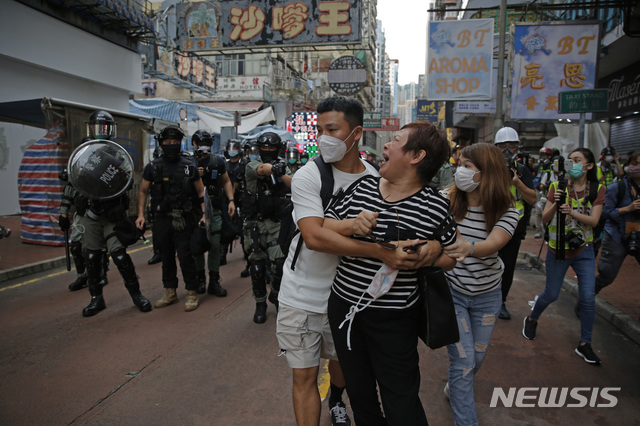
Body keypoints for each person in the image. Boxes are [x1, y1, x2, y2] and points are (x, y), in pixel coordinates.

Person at [324, 122, 456, 425]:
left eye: (395, 140)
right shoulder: (362, 187)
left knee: (401, 399)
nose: (385, 146)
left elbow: (452, 256)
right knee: (360, 395)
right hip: (345, 310)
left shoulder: (434, 205)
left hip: (396, 319)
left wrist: (430, 253)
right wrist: (351, 225)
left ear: (416, 156)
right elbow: (323, 227)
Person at [276, 97, 379, 426]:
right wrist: (355, 230)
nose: (324, 138)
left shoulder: (375, 181)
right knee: (303, 378)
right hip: (301, 296)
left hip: (350, 298)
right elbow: (314, 236)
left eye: (332, 129)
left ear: (356, 132)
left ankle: (336, 397)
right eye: (320, 130)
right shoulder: (308, 176)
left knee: (342, 365)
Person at [442, 143, 520, 426]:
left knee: (476, 359)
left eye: (467, 166)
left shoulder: (508, 211)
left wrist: (466, 247)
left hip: (487, 296)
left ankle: (455, 389)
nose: (459, 171)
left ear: (487, 173)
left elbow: (493, 244)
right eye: (459, 164)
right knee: (463, 364)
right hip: (454, 294)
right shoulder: (445, 202)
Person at [523, 148, 605, 366]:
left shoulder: (597, 189)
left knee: (588, 298)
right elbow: (547, 218)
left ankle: (585, 343)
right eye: (570, 161)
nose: (572, 164)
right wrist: (557, 204)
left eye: (577, 160)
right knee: (551, 294)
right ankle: (532, 318)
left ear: (589, 166)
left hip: (584, 251)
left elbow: (595, 222)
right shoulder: (556, 187)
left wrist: (572, 213)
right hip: (557, 249)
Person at [71, 111, 152, 317]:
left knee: (119, 255)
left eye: (105, 127)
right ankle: (96, 298)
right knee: (91, 256)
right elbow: (75, 180)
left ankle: (136, 294)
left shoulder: (117, 154)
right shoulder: (83, 152)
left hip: (110, 213)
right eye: (97, 127)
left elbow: (125, 181)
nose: (101, 132)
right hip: (89, 212)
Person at [136, 125, 207, 312]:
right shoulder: (153, 167)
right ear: (161, 145)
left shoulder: (188, 165)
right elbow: (143, 191)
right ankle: (170, 292)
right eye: (167, 142)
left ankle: (192, 292)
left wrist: (204, 213)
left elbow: (201, 191)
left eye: (175, 142)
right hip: (161, 220)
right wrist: (140, 215)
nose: (171, 145)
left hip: (184, 218)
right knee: (166, 257)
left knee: (185, 256)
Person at [242, 132, 292, 323]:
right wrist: (274, 169)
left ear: (279, 149)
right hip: (255, 223)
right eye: (264, 148)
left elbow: (294, 184)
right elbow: (262, 169)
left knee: (280, 265)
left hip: (276, 224)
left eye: (272, 148)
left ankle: (278, 299)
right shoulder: (252, 165)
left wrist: (282, 173)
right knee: (257, 267)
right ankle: (260, 303)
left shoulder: (284, 167)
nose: (268, 151)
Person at [493, 127, 537, 320]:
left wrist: (517, 182)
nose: (508, 150)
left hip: (513, 227)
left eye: (512, 146)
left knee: (508, 265)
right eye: (503, 146)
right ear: (495, 148)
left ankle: (501, 301)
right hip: (488, 225)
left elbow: (533, 199)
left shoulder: (522, 171)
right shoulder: (487, 169)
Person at [590, 150, 640, 300]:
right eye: (635, 164)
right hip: (616, 236)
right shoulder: (618, 188)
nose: (637, 167)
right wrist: (627, 209)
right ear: (628, 165)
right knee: (607, 275)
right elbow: (604, 213)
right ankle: (586, 297)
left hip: (638, 234)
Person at [191, 130, 235, 297]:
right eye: (201, 143)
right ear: (194, 143)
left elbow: (225, 181)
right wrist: (196, 175)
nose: (204, 147)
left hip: (215, 209)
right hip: (196, 210)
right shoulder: (189, 162)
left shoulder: (217, 161)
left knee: (215, 245)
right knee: (198, 246)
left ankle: (214, 281)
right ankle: (200, 279)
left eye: (207, 143)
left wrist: (231, 200)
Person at [533, 147, 555, 239]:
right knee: (538, 212)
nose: (542, 157)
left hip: (548, 193)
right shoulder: (540, 167)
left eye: (544, 155)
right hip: (539, 191)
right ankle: (539, 230)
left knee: (547, 212)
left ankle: (547, 231)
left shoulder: (551, 167)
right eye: (541, 155)